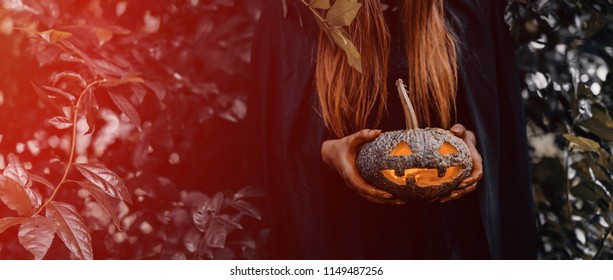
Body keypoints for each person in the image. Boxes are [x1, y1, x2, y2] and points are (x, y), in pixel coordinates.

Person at [248, 0, 537, 259]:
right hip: (348, 245)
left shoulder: (469, 7)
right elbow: (275, 137)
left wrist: (469, 144)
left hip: (449, 242)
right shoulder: (295, 10)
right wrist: (329, 152)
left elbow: (492, 120)